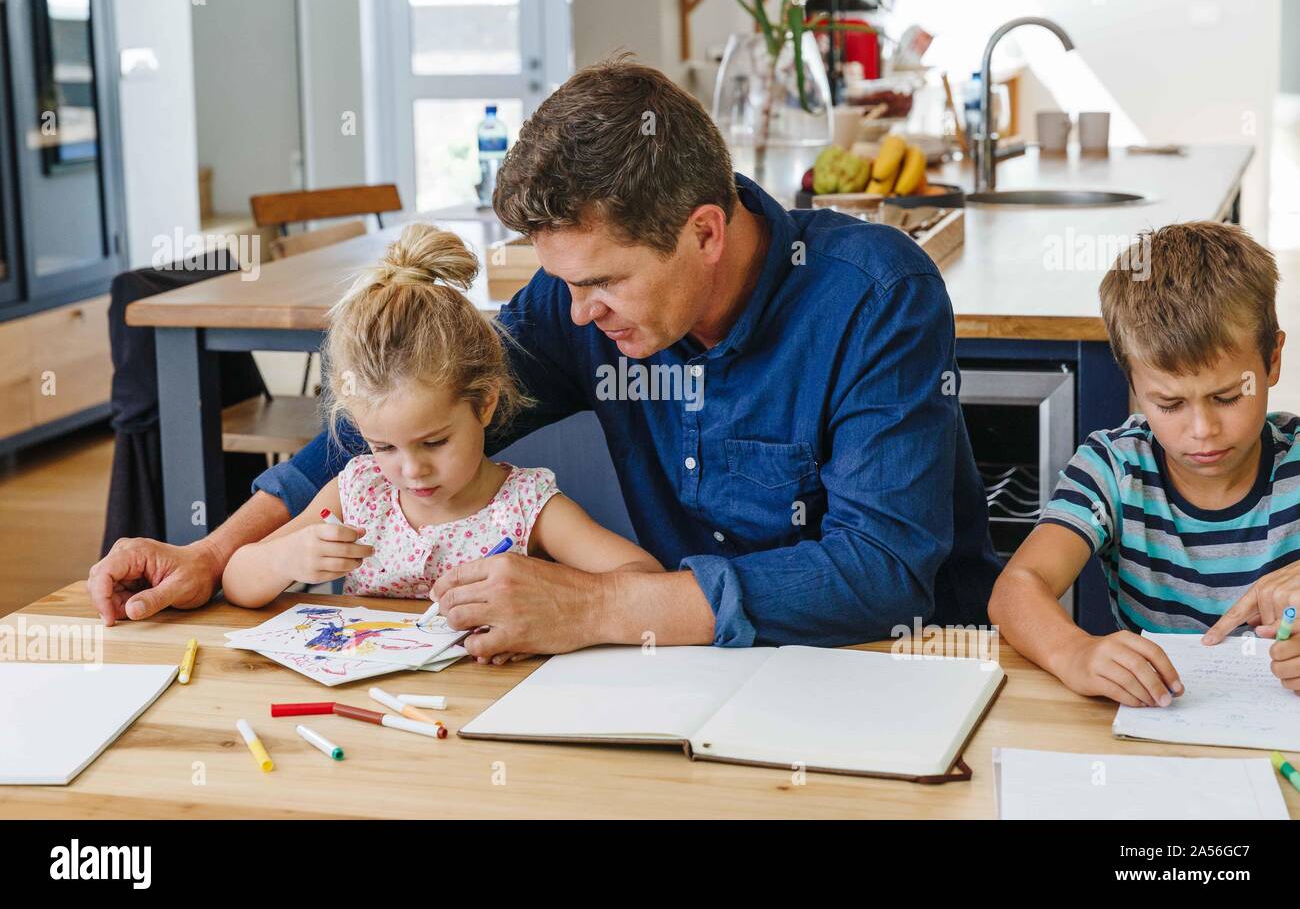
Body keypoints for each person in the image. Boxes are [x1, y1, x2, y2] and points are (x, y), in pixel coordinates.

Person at [88, 57, 1001, 657]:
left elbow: (881, 572)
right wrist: (213, 553)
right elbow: (396, 421)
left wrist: (600, 609)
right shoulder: (581, 309)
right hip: (680, 675)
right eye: (561, 281)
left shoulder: (872, 295)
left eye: (602, 282)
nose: (573, 312)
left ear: (705, 232)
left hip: (895, 671)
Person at [220, 224, 662, 667]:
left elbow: (645, 581)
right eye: (384, 447)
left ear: (485, 404)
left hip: (488, 707)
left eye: (434, 442)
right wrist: (284, 560)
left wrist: (562, 603)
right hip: (369, 705)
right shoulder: (358, 492)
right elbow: (238, 580)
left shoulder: (526, 507)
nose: (412, 470)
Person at [989, 221, 1300, 706]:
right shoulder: (1114, 469)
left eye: (1225, 396)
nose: (1202, 429)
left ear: (1273, 359)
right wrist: (1074, 652)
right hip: (1157, 726)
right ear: (1133, 383)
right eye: (1170, 404)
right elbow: (1016, 589)